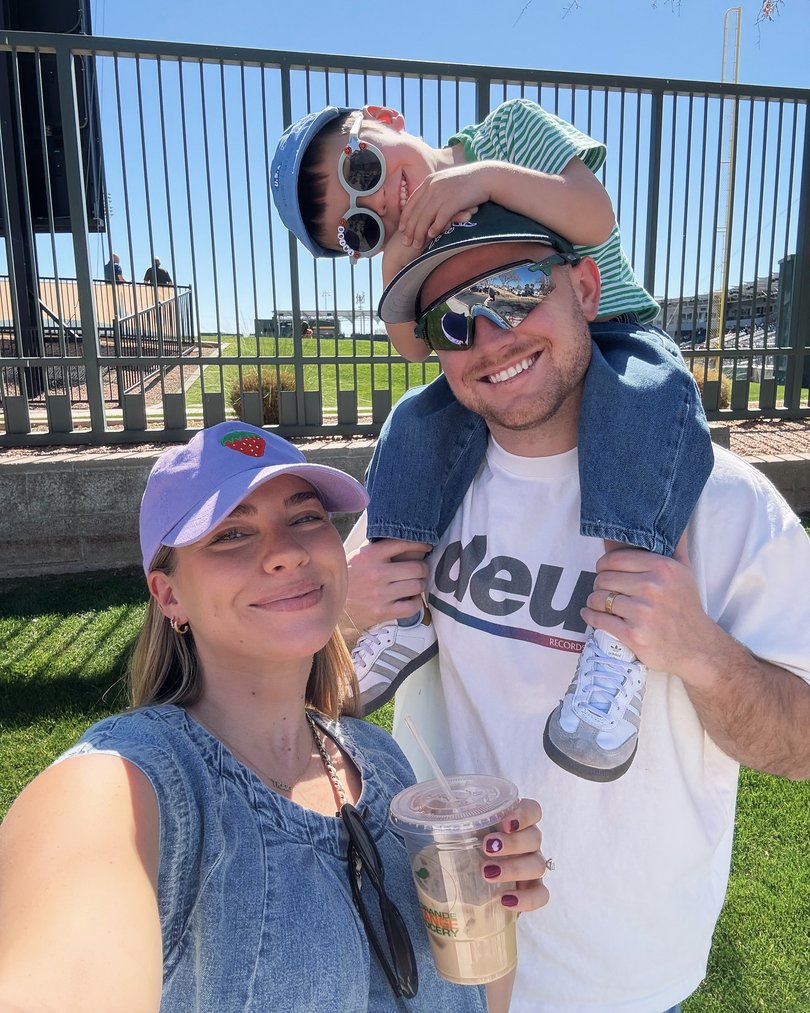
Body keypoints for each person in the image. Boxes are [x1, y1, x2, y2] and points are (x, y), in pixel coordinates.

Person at [340, 207, 810, 1012]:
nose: (490, 335)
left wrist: (701, 651)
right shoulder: (419, 494)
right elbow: (312, 693)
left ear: (586, 287)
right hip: (449, 939)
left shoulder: (724, 503)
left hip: (625, 975)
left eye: (518, 290)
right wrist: (340, 622)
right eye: (453, 321)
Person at [0, 421, 549, 1012]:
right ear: (168, 596)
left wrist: (490, 903)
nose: (286, 552)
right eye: (232, 533)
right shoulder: (123, 789)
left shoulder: (381, 762)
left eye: (306, 517)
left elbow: (474, 999)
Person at [271, 100, 715, 782]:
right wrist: (399, 245)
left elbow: (594, 216)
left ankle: (619, 635)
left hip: (613, 332)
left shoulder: (506, 133)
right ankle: (402, 609)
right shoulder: (412, 238)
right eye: (360, 229)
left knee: (649, 401)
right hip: (503, 360)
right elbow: (415, 346)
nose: (381, 202)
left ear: (381, 116)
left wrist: (482, 180)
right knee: (417, 418)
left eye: (364, 168)